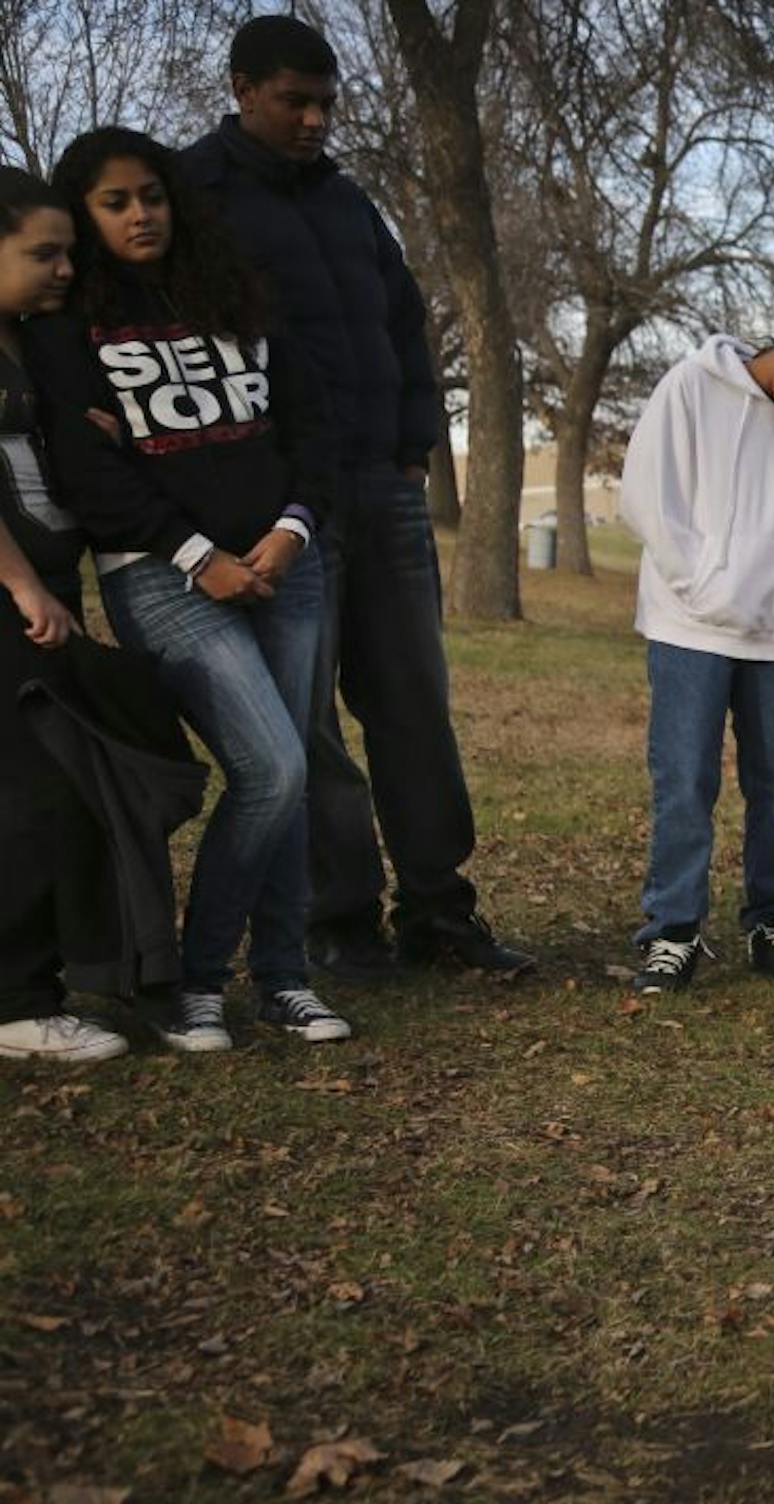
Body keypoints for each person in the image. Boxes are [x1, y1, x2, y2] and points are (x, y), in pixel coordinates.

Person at [181, 14, 532, 981]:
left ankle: (439, 912)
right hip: (281, 504)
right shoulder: (191, 198)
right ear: (244, 88)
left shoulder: (347, 202)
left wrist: (416, 446)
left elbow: (404, 320)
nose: (312, 121)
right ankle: (339, 920)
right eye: (294, 101)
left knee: (414, 705)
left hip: (383, 487)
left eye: (326, 104)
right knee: (306, 725)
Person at [31, 128, 348, 1050]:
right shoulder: (65, 329)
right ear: (85, 216)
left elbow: (309, 426)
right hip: (162, 577)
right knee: (272, 768)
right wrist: (195, 551)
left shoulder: (234, 293)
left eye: (152, 195)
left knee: (284, 773)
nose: (141, 214)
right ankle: (197, 984)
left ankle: (284, 980)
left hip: (286, 565)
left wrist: (291, 532)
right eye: (116, 202)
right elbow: (92, 477)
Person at [616, 303, 774, 995]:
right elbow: (647, 495)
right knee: (684, 782)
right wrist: (701, 584)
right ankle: (672, 932)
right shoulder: (691, 386)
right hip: (689, 627)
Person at [0, 165, 129, 1062]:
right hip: (15, 603)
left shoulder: (26, 342)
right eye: (41, 253)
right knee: (30, 796)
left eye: (68, 254)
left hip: (46, 592)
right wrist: (20, 584)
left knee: (55, 789)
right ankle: (16, 1005)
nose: (62, 270)